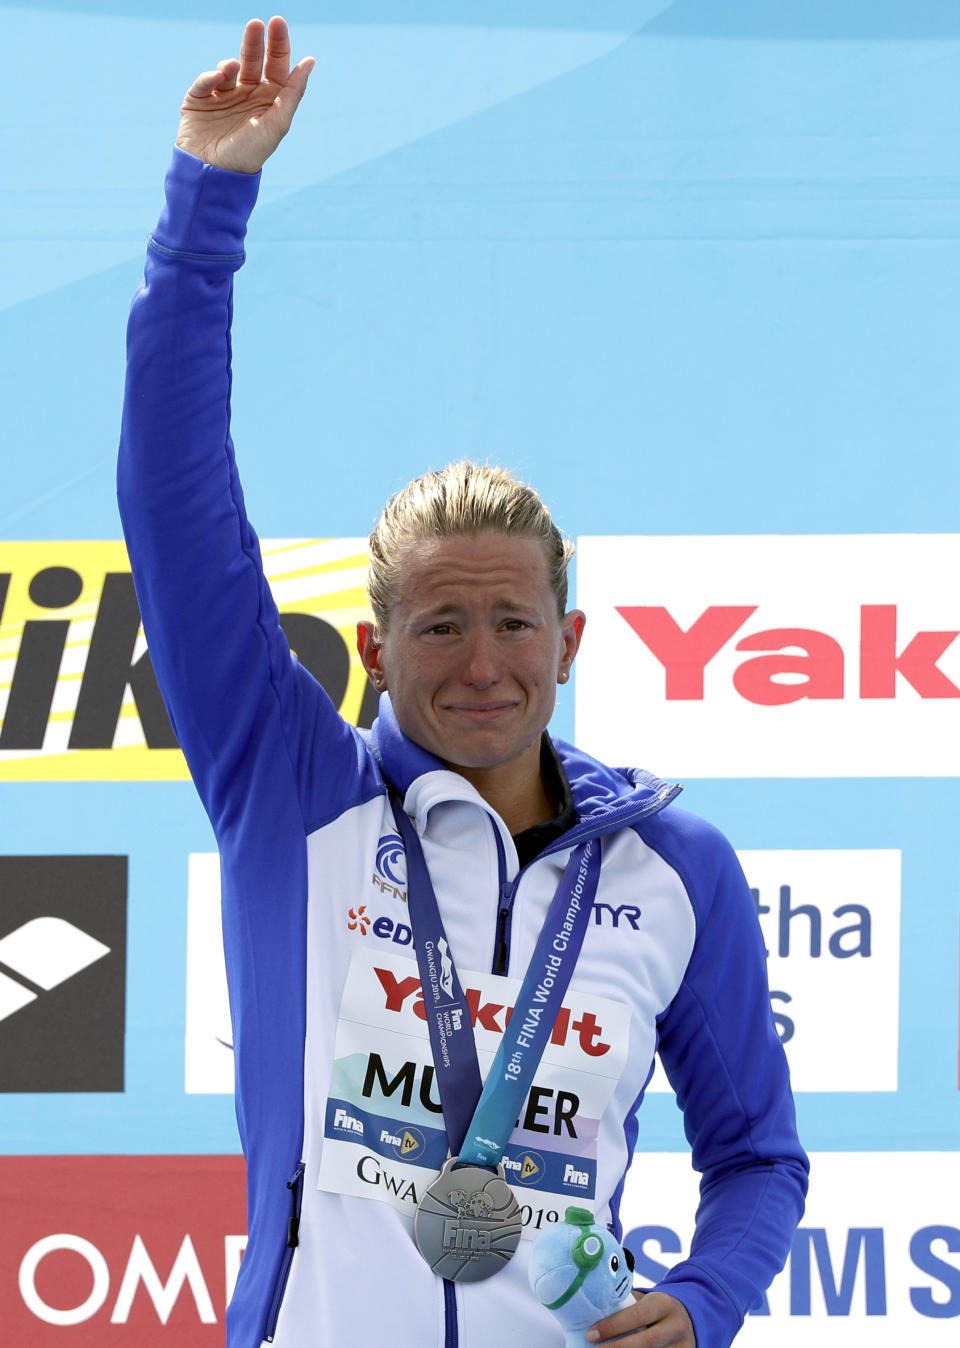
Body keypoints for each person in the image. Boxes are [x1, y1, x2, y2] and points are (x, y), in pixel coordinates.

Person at [118, 17, 808, 1348]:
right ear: (373, 651)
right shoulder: (294, 795)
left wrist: (708, 1298)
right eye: (440, 627)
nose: (483, 664)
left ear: (571, 641)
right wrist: (207, 208)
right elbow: (173, 503)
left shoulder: (675, 868)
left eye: (512, 622)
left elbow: (760, 1159)